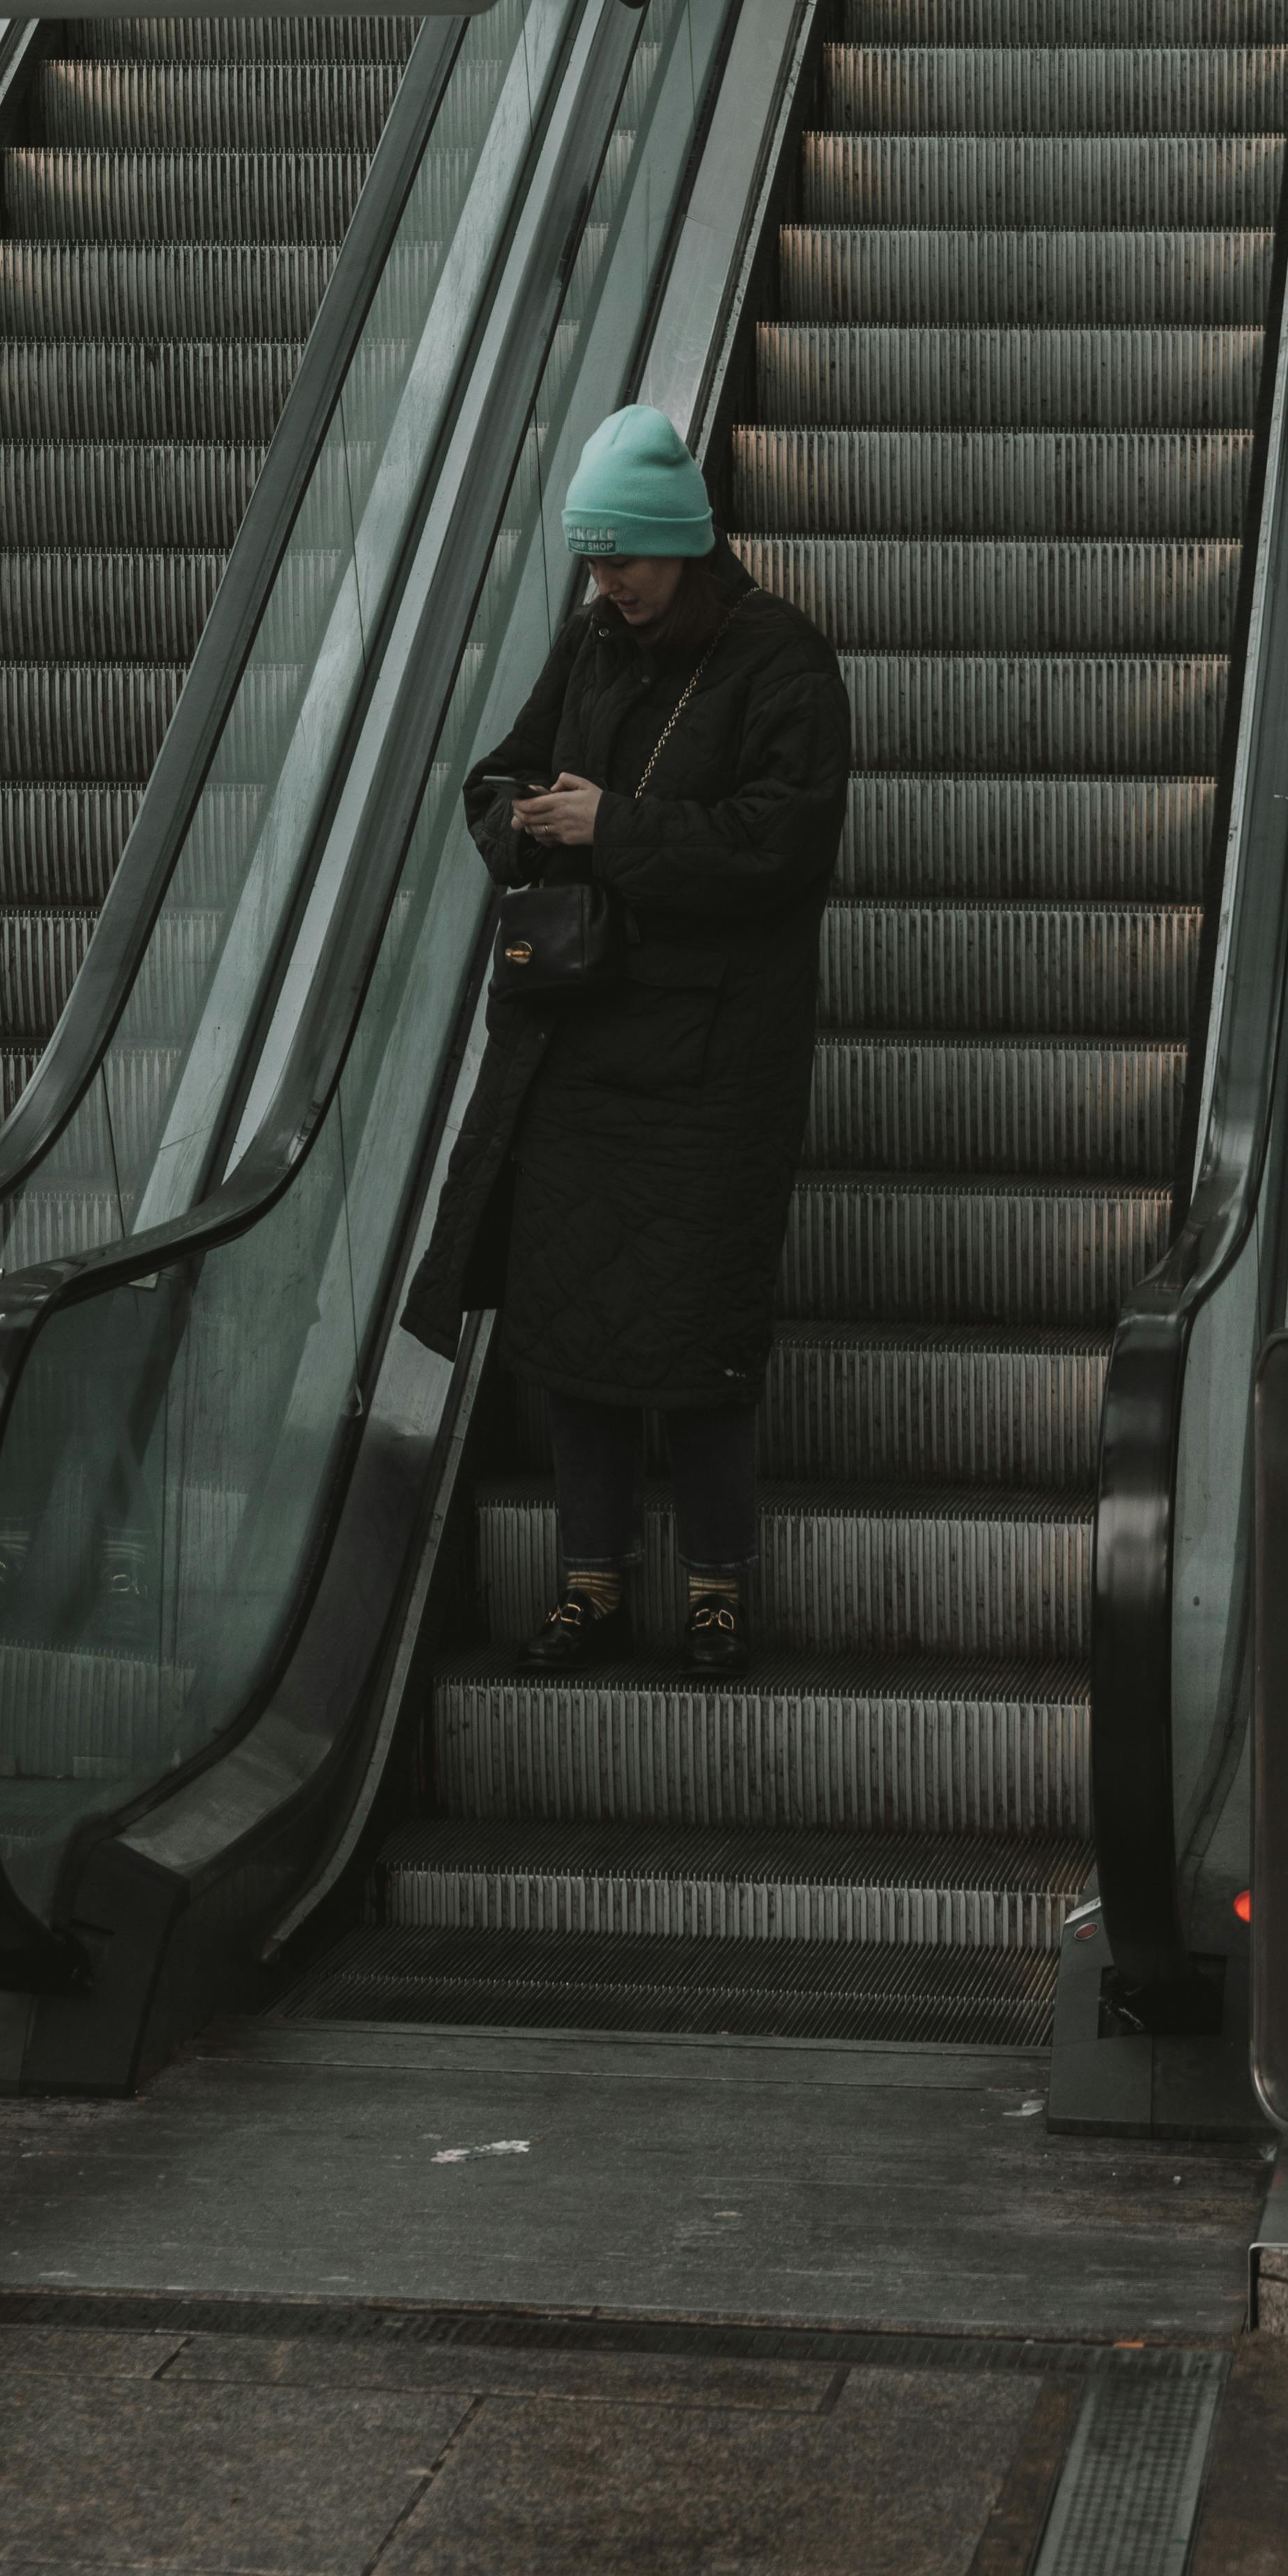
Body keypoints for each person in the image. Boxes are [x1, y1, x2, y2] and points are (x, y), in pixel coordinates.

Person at [404, 403, 851, 1681]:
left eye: (627, 561)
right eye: (593, 563)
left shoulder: (781, 661)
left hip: (714, 1067)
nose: (608, 585)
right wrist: (521, 820)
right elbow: (495, 775)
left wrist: (615, 829)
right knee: (571, 1334)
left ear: (686, 544)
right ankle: (589, 1585)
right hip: (575, 1048)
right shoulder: (593, 642)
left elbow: (782, 844)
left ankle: (715, 1593)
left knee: (700, 1340)